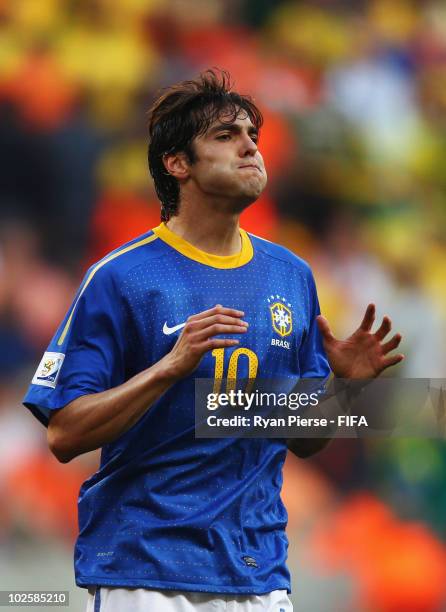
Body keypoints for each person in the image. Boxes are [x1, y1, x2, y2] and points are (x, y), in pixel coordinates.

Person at [23, 70, 403, 612]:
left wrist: (341, 392)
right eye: (225, 136)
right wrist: (168, 369)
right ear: (178, 164)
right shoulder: (121, 277)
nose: (250, 146)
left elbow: (303, 439)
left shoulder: (290, 274)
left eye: (252, 135)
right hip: (147, 572)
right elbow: (64, 434)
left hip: (259, 572)